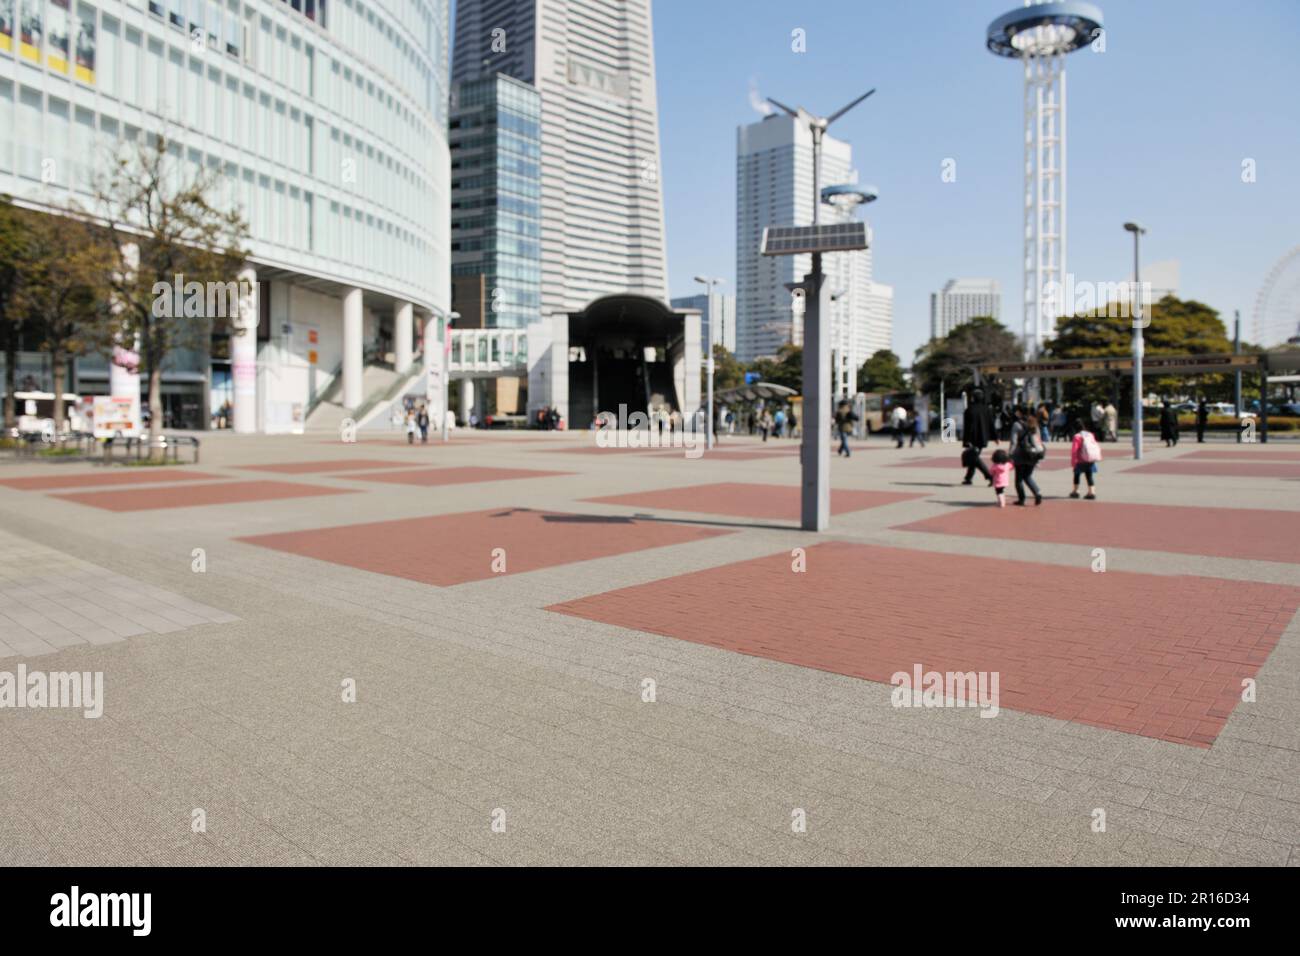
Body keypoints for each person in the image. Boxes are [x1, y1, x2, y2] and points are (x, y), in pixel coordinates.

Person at [1010, 406, 1044, 506]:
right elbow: (1038, 440)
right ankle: (1037, 493)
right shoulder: (1034, 423)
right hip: (1033, 454)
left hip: (1020, 454)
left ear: (1020, 413)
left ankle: (1022, 499)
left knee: (1019, 479)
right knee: (1028, 475)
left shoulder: (1017, 424)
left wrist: (1010, 454)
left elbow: (1013, 442)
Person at [961, 388, 996, 485]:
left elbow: (967, 427)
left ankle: (989, 476)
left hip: (972, 438)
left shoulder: (969, 410)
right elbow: (991, 424)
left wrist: (966, 440)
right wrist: (995, 437)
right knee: (973, 456)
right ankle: (968, 478)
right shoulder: (986, 409)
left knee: (975, 458)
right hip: (983, 438)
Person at [1068, 420, 1101, 499]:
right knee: (1089, 476)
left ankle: (1075, 491)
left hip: (1080, 460)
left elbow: (1074, 450)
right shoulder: (1089, 434)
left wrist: (1073, 462)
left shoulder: (1077, 436)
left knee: (1077, 475)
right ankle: (1092, 492)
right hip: (1090, 459)